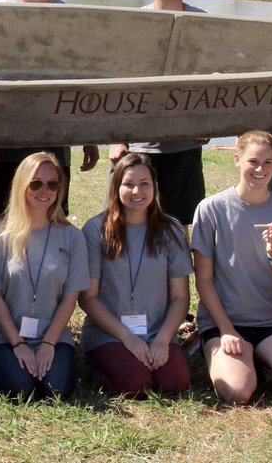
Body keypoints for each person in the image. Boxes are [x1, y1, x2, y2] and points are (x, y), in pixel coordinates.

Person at [191, 130, 272, 405]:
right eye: (253, 161)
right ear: (237, 160)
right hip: (225, 322)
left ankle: (268, 363)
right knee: (237, 392)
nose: (260, 169)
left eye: (268, 163)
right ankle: (241, 362)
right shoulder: (211, 209)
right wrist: (226, 329)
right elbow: (204, 281)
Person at [0, 0, 98, 221]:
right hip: (5, 133)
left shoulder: (69, 17)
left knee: (52, 216)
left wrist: (90, 136)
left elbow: (80, 77)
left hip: (55, 133)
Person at [0, 152, 88, 400]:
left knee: (57, 391)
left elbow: (70, 298)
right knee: (19, 389)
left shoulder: (72, 237)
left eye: (52, 184)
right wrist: (18, 344)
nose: (44, 190)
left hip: (53, 337)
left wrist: (48, 344)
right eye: (36, 183)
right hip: (4, 337)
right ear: (21, 185)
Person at [108, 0, 207, 227]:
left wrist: (210, 125)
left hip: (184, 144)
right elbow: (117, 83)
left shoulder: (204, 23)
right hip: (139, 144)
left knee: (178, 225)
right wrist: (116, 138)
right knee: (128, 221)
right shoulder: (135, 25)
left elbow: (214, 81)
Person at [80, 153, 193, 398]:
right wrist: (127, 338)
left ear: (154, 186)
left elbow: (180, 297)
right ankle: (98, 366)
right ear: (116, 187)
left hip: (156, 331)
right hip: (110, 333)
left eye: (144, 184)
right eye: (128, 184)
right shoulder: (95, 229)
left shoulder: (171, 230)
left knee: (176, 383)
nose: (137, 191)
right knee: (134, 384)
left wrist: (163, 339)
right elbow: (88, 298)